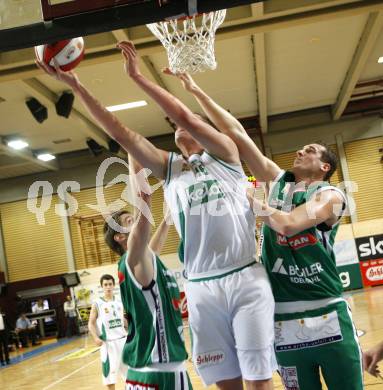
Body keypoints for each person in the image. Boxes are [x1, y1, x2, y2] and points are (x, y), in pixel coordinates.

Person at [36, 43, 276, 390]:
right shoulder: (171, 170)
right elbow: (122, 134)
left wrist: (138, 77)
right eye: (173, 129)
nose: (178, 128)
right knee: (227, 384)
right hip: (199, 287)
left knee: (258, 380)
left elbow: (186, 116)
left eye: (186, 126)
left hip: (244, 278)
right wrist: (76, 86)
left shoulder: (226, 155)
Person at [175, 72, 363, 389]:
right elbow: (236, 133)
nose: (301, 152)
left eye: (310, 150)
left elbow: (288, 225)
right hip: (282, 321)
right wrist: (197, 92)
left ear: (324, 167)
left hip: (329, 314)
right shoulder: (278, 182)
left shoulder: (332, 196)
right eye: (301, 149)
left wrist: (251, 200)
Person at [103, 155, 192, 389]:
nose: (137, 221)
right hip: (160, 368)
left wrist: (171, 210)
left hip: (142, 370)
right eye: (130, 220)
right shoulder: (133, 257)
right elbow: (144, 197)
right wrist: (134, 151)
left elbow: (157, 242)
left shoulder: (142, 260)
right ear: (120, 237)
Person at [88, 274, 127, 390]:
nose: (108, 287)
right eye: (105, 284)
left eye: (110, 284)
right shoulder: (97, 303)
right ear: (101, 286)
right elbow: (90, 323)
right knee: (109, 377)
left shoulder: (120, 302)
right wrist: (95, 337)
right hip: (108, 344)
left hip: (123, 341)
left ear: (114, 285)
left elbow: (123, 321)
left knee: (130, 375)